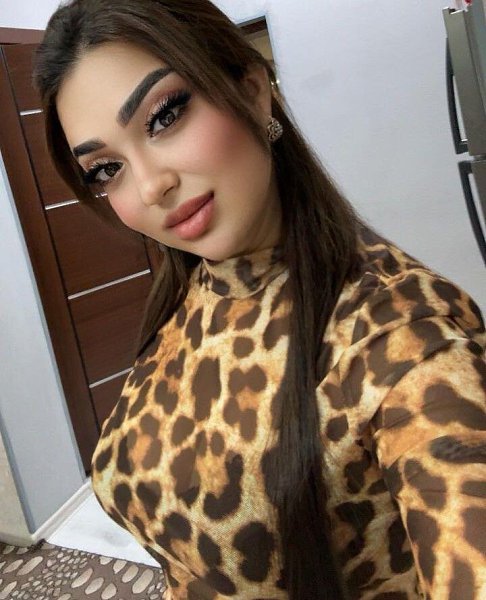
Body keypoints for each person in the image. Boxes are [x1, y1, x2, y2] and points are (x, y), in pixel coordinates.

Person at [33, 1, 486, 598]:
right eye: (105, 169)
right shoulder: (190, 292)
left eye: (164, 116)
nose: (150, 185)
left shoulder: (402, 337)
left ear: (251, 92)